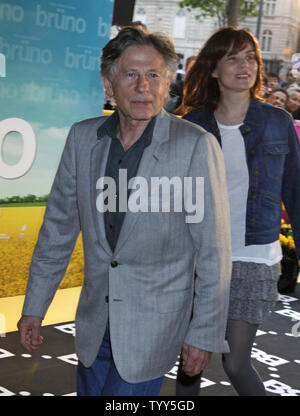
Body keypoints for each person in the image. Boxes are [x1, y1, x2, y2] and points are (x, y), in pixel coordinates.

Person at [17, 27, 232, 396]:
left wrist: (204, 332)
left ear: (168, 84)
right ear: (108, 83)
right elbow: (58, 231)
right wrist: (35, 306)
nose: (142, 86)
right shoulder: (83, 138)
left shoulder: (196, 146)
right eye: (130, 74)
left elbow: (214, 250)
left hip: (154, 327)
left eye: (153, 76)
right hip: (92, 323)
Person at [176, 26, 300, 396]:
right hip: (199, 257)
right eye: (232, 57)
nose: (244, 65)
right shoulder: (193, 125)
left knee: (235, 361)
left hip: (254, 257)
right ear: (213, 69)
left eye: (250, 57)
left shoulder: (277, 122)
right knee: (190, 361)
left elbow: (295, 193)